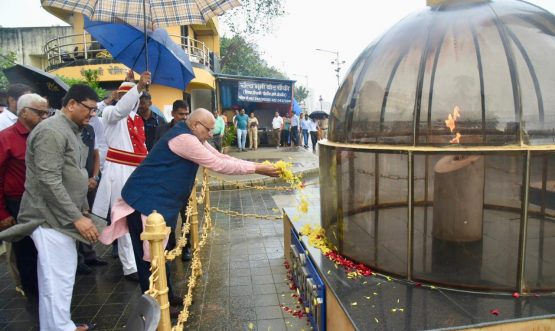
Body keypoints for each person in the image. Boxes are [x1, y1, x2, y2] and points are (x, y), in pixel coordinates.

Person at [99, 108, 280, 296]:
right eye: (208, 130)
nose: (210, 135)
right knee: (149, 259)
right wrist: (257, 168)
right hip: (145, 201)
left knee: (161, 253)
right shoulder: (185, 139)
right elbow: (218, 165)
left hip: (159, 203)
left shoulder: (195, 136)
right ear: (194, 125)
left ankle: (166, 297)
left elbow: (221, 156)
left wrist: (257, 166)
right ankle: (156, 308)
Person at [0, 84, 104, 331]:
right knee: (60, 278)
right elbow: (49, 180)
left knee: (54, 279)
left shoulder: (69, 129)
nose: (92, 114)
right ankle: (61, 327)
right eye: (89, 109)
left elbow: (71, 173)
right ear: (71, 105)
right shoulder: (52, 131)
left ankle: (56, 326)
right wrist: (76, 218)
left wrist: (81, 208)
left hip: (60, 216)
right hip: (49, 218)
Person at [92, 70, 152, 281]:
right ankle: (130, 267)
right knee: (123, 217)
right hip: (119, 170)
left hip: (137, 172)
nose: (134, 102)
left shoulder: (137, 118)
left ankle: (142, 258)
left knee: (140, 218)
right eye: (130, 96)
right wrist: (137, 86)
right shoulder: (109, 113)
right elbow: (121, 109)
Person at [0, 94, 49, 299]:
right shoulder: (6, 138)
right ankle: (33, 296)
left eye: (46, 112)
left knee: (45, 251)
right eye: (39, 112)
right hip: (17, 203)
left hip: (45, 202)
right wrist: (2, 212)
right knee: (26, 253)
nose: (44, 116)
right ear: (23, 112)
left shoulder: (46, 135)